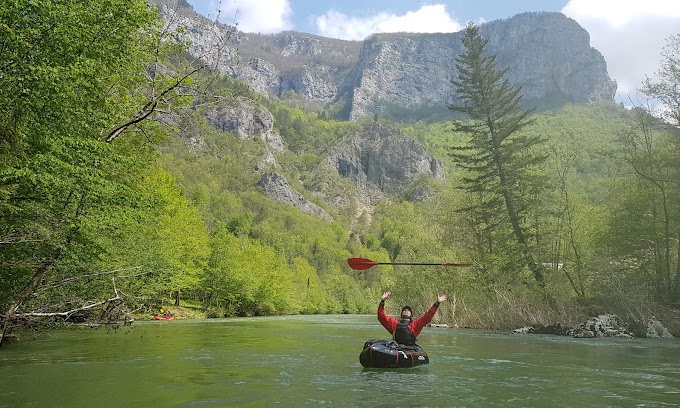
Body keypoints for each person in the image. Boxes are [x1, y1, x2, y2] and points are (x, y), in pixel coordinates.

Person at [377, 291, 447, 346]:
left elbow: (428, 316)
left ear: (411, 315)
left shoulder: (415, 324)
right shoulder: (394, 324)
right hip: (396, 348)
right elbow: (381, 316)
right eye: (404, 310)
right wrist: (382, 301)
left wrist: (437, 303)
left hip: (409, 349)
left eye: (408, 310)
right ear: (401, 314)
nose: (406, 311)